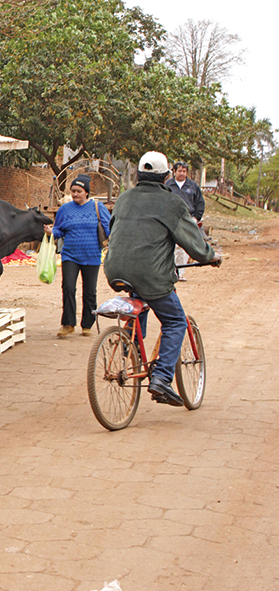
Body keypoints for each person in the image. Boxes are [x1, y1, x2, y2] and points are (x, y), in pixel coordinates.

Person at [103, 151, 220, 407]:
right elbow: (193, 242)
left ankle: (129, 345)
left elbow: (115, 229)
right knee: (176, 321)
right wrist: (210, 257)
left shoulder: (123, 198)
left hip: (115, 270)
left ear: (138, 175)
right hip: (152, 275)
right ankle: (162, 379)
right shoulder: (172, 203)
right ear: (166, 176)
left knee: (139, 302)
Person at [46, 175, 111, 338]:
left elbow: (108, 227)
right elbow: (59, 230)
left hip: (92, 256)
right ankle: (68, 324)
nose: (75, 194)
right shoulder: (64, 210)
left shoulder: (98, 207)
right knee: (68, 288)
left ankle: (87, 324)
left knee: (90, 291)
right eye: (73, 191)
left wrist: (112, 244)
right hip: (70, 255)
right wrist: (51, 232)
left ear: (86, 192)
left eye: (79, 191)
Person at [165, 161, 205, 280]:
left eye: (184, 171)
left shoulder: (193, 186)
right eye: (179, 171)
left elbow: (200, 203)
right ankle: (171, 271)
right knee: (170, 245)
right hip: (171, 219)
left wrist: (196, 218)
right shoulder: (168, 185)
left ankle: (180, 273)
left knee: (183, 246)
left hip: (187, 219)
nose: (182, 173)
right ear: (174, 172)